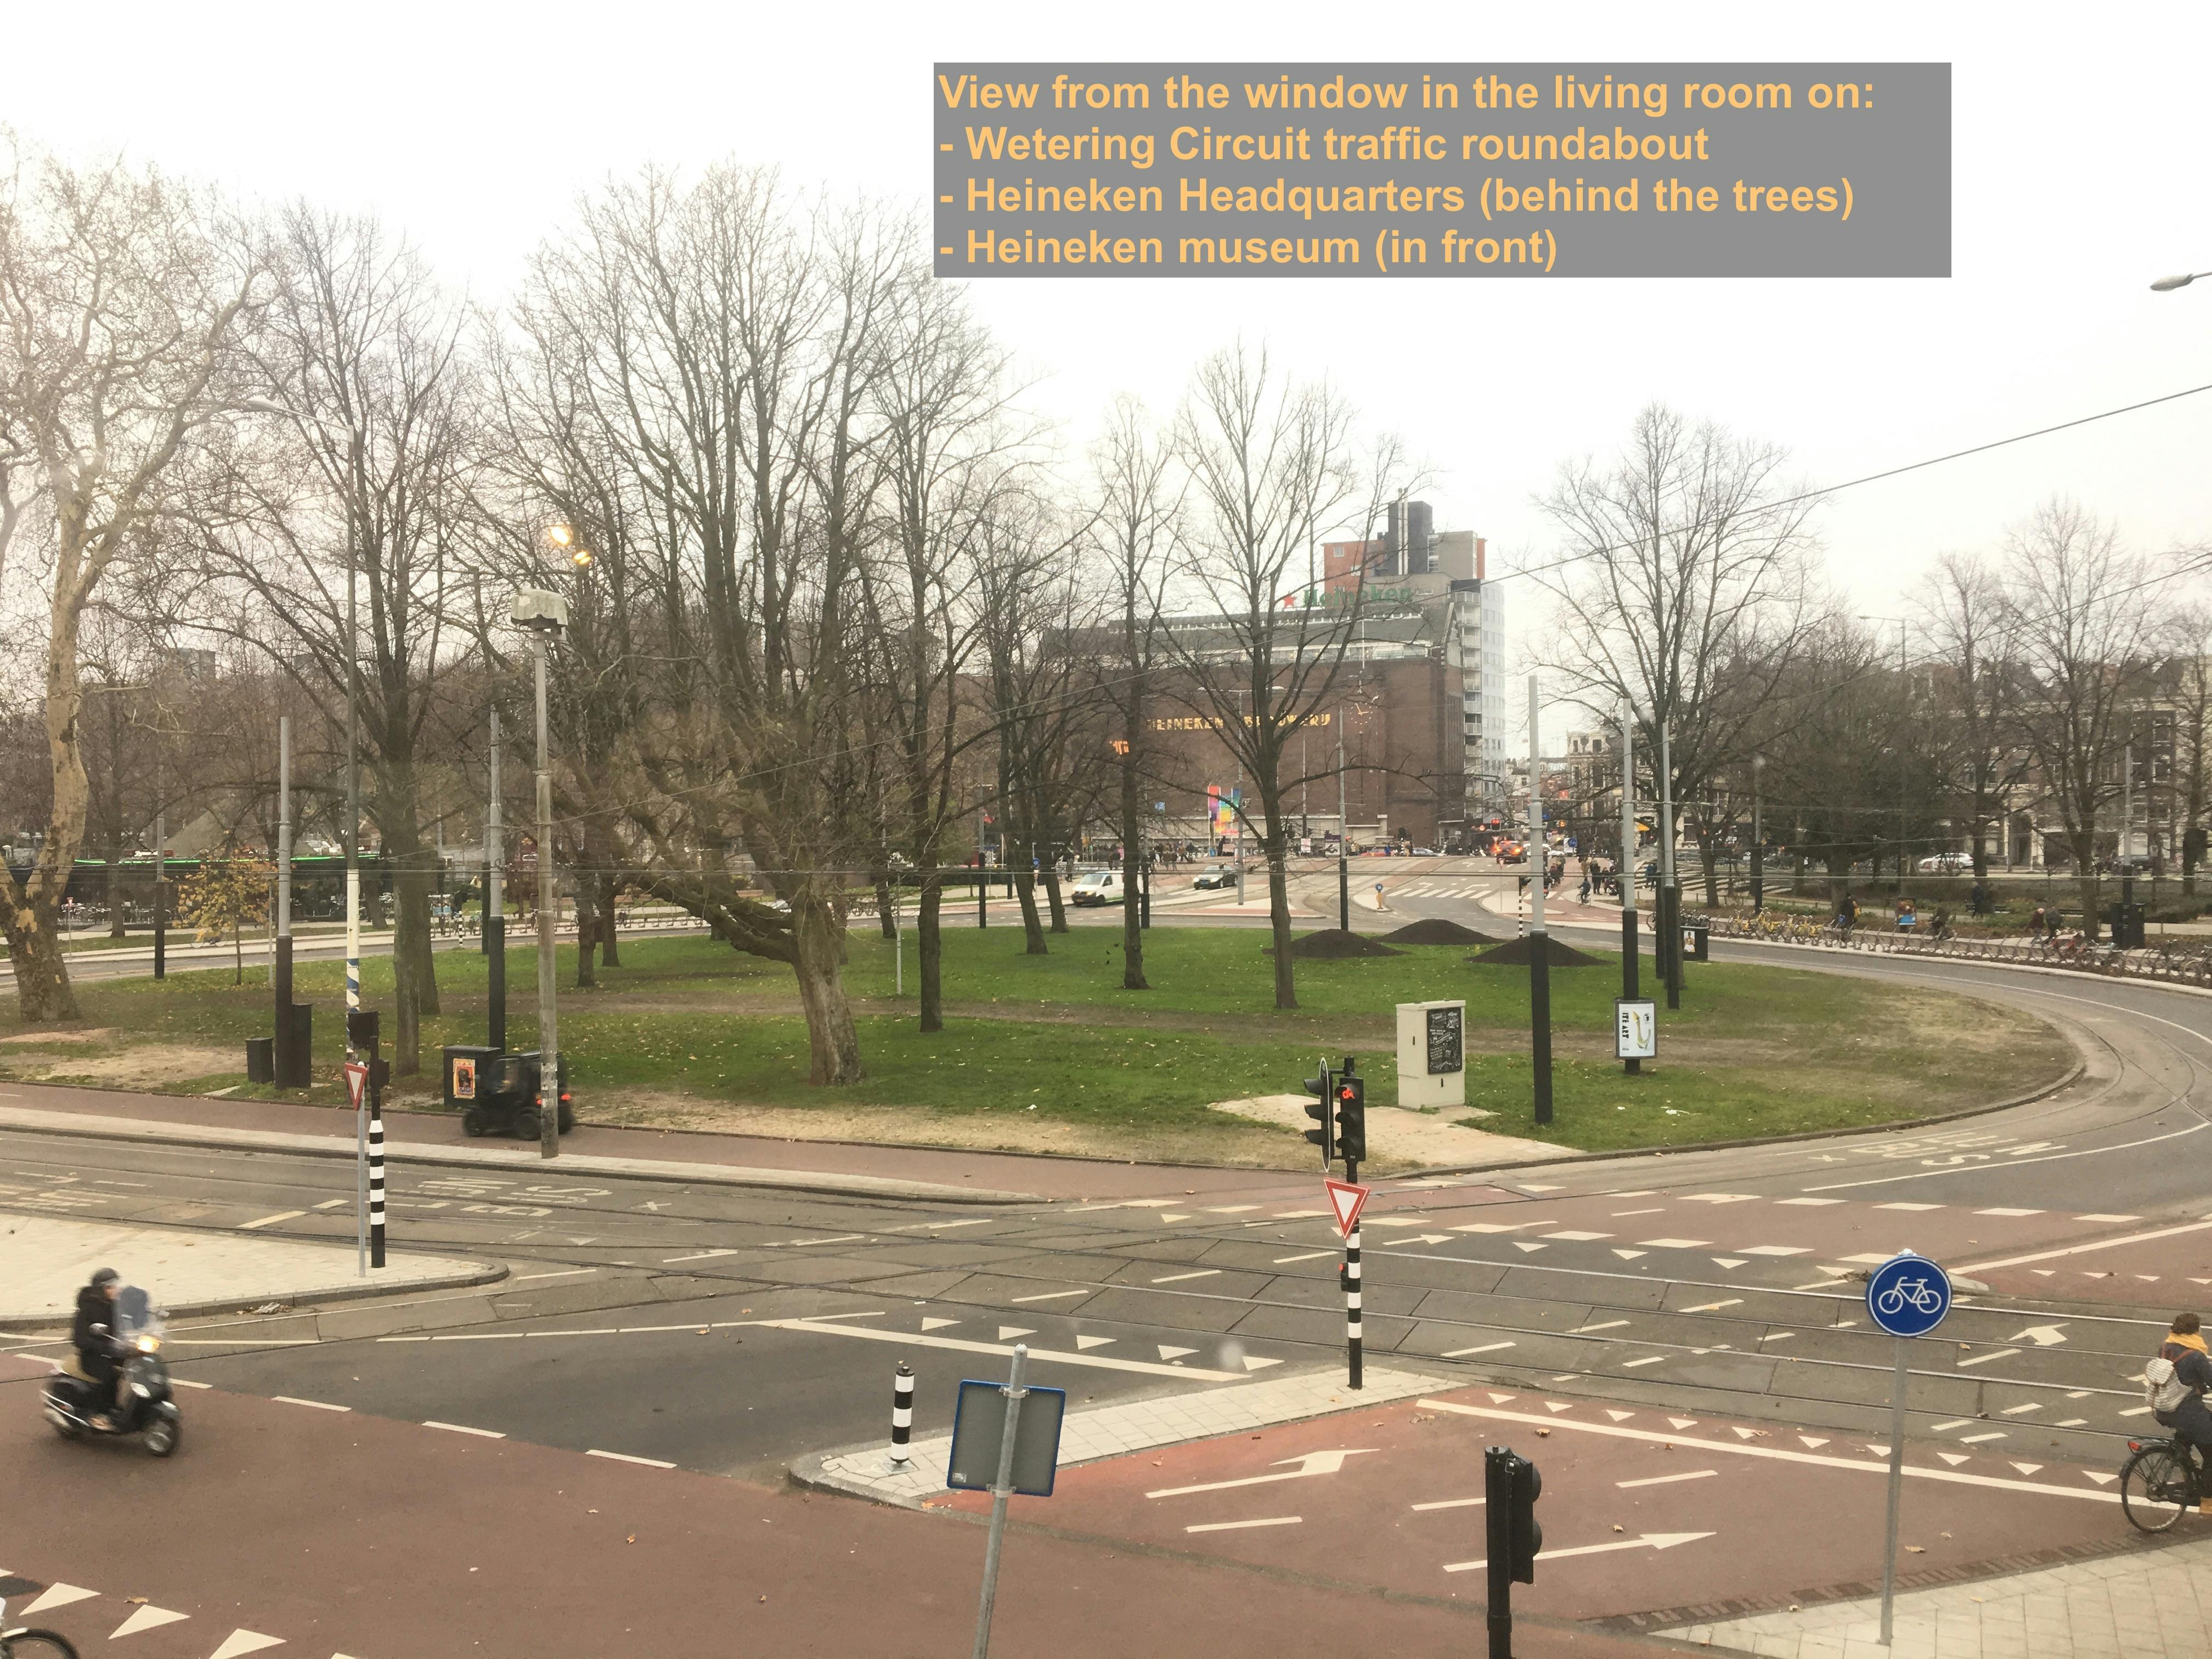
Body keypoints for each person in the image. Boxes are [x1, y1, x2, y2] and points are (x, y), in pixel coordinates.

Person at [2152, 1313, 2212, 1511]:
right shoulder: (2196, 1356)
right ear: (2196, 1330)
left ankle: (2182, 1455)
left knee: (2196, 1428)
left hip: (2164, 1408)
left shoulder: (2165, 1348)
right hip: (2188, 1413)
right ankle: (2208, 1501)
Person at [72, 1266, 127, 1431]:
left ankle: (126, 1408)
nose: (115, 1290)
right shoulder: (87, 1309)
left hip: (114, 1351)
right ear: (101, 1290)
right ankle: (99, 1412)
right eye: (110, 1287)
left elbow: (127, 1323)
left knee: (140, 1366)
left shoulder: (115, 1306)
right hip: (92, 1356)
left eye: (116, 1286)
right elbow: (79, 1339)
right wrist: (104, 1347)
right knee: (109, 1375)